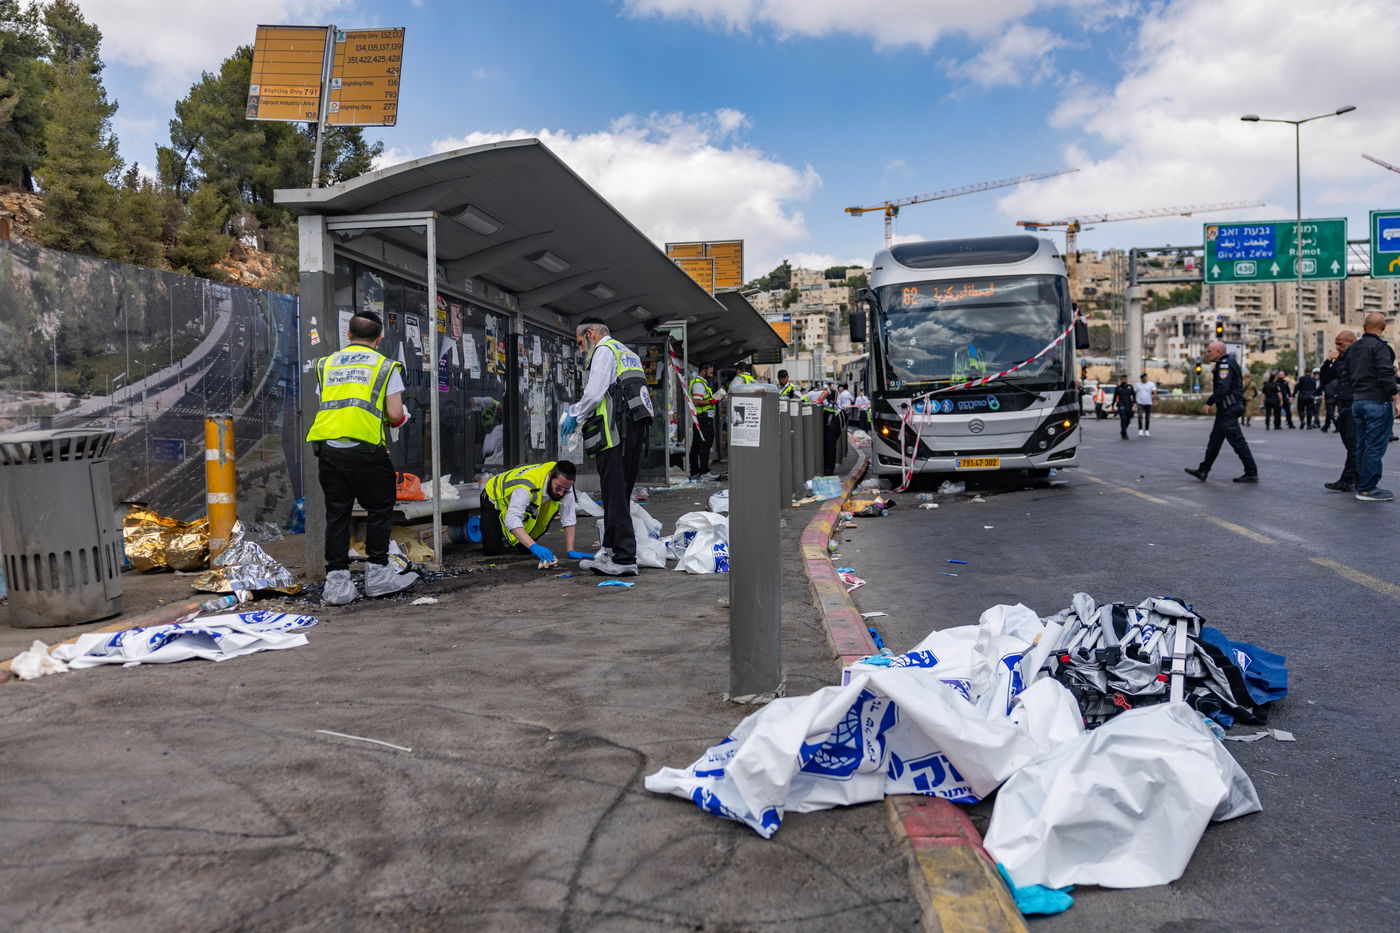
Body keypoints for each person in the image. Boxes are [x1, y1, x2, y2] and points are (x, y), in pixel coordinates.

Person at [306, 310, 418, 605]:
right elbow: (394, 414)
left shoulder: (327, 364)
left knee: (337, 512)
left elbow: (330, 401)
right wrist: (400, 418)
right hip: (366, 448)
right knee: (380, 508)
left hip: (328, 448)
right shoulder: (384, 366)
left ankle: (337, 584)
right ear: (379, 338)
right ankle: (378, 574)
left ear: (348, 335)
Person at [561, 318, 654, 574]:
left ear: (591, 334)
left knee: (613, 494)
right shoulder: (628, 353)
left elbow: (594, 393)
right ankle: (611, 551)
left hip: (614, 434)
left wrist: (575, 415)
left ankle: (624, 559)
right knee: (619, 494)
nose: (581, 350)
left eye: (580, 343)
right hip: (634, 431)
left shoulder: (603, 350)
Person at [481, 460, 586, 563]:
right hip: (493, 497)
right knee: (492, 550)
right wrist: (535, 547)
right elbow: (512, 519)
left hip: (518, 502)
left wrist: (571, 550)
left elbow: (568, 516)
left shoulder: (564, 483)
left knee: (525, 548)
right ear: (550, 476)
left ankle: (506, 533)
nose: (561, 493)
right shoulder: (526, 487)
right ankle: (491, 525)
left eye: (566, 490)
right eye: (558, 488)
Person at [1184, 341, 1258, 483]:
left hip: (1229, 409)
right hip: (1226, 408)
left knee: (1238, 441)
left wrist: (1209, 402)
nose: (1207, 354)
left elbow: (1223, 388)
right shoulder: (1227, 363)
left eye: (1209, 351)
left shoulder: (1225, 365)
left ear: (1218, 352)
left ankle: (1251, 472)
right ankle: (1203, 470)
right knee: (1215, 441)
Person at [1348, 312, 1399, 501]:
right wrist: (1397, 398)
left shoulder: (1352, 349)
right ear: (1384, 328)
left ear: (1364, 327)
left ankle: (1362, 485)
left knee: (1362, 445)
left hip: (1358, 401)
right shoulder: (1381, 348)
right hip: (1377, 402)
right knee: (1375, 447)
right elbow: (1386, 375)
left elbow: (1346, 375)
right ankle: (1368, 489)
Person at [1320, 330, 1358, 492]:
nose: (1337, 347)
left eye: (1340, 344)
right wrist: (1328, 362)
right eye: (1336, 344)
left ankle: (1348, 479)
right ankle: (1355, 478)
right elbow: (1325, 378)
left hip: (1355, 405)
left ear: (1351, 342)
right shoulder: (1340, 360)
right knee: (1350, 444)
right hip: (1343, 405)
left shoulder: (1358, 358)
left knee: (1353, 444)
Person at [688, 363, 717, 479]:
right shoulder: (699, 384)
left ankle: (695, 472)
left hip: (701, 419)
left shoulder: (701, 383)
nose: (712, 374)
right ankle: (704, 472)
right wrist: (711, 402)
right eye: (710, 371)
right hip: (704, 419)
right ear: (704, 371)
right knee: (704, 445)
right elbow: (696, 401)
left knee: (696, 446)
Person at [1112, 374, 1134, 440]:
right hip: (1121, 405)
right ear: (1121, 380)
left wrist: (1135, 403)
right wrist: (1113, 405)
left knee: (1128, 420)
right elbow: (1115, 397)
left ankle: (1122, 431)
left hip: (1129, 405)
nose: (1124, 380)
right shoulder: (1118, 388)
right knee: (1123, 419)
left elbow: (1134, 395)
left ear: (1127, 379)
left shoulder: (1130, 387)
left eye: (1125, 379)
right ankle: (1124, 434)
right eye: (1123, 379)